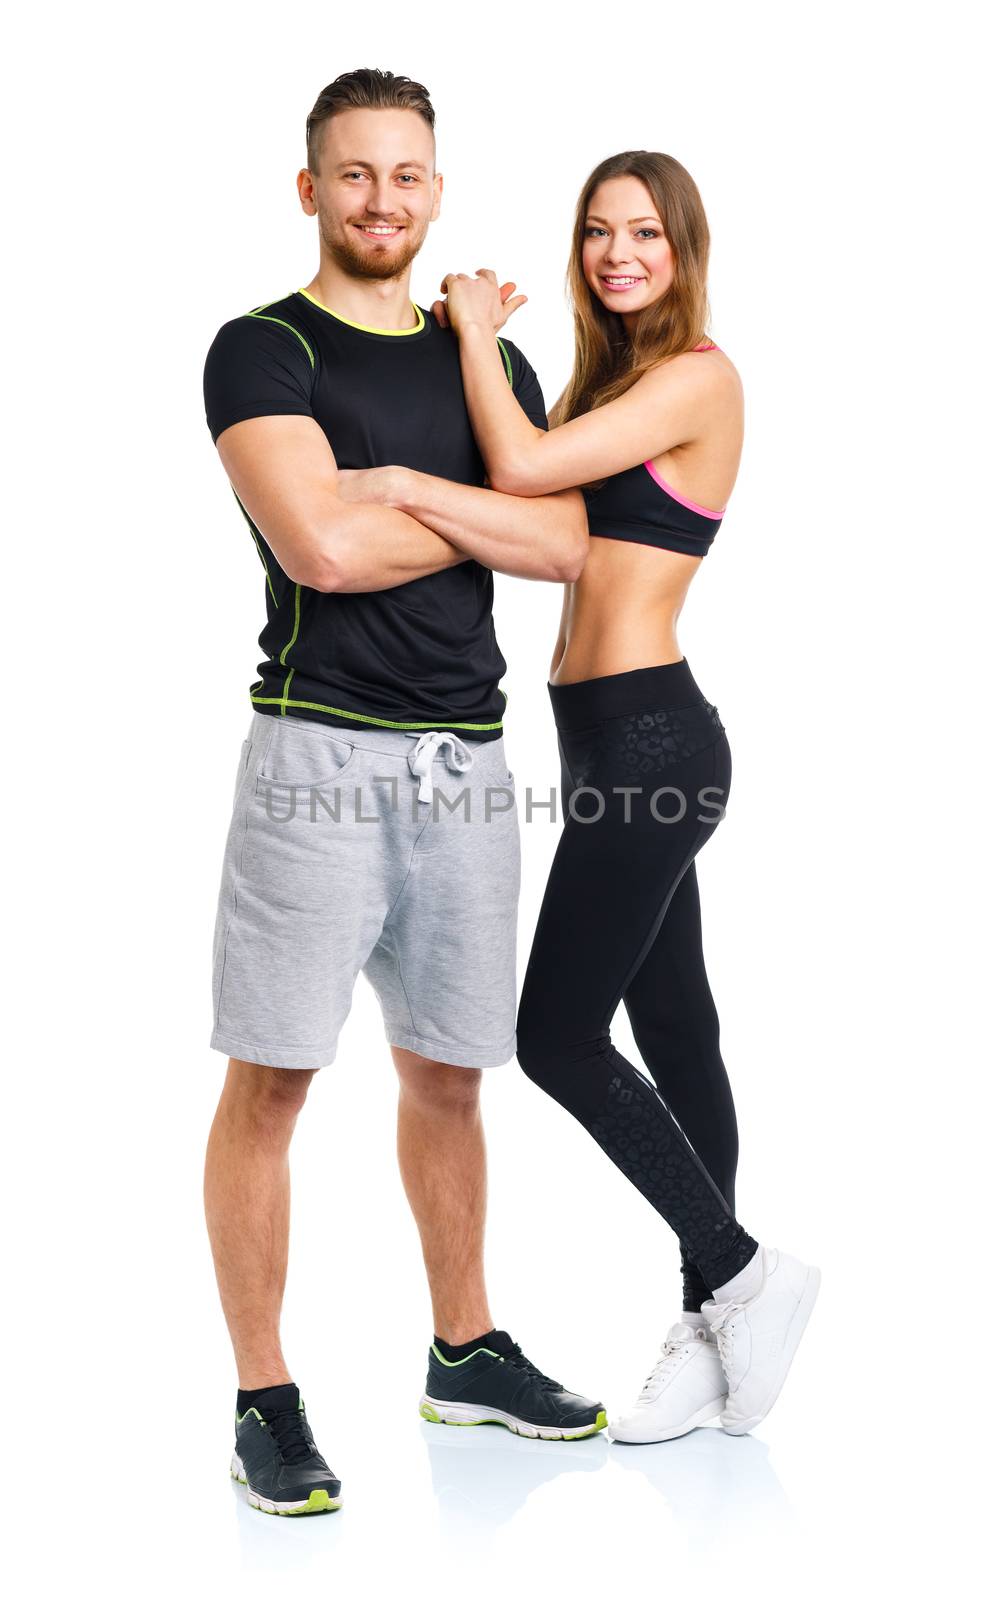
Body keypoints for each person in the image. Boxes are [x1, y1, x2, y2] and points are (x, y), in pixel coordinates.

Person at [346, 149, 821, 1445]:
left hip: (659, 746)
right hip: (607, 743)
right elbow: (540, 522)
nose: (620, 254)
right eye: (601, 233)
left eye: (646, 236)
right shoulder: (615, 383)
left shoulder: (697, 377)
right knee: (675, 1029)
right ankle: (716, 1331)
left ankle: (739, 1274)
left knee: (554, 1035)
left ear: (684, 251)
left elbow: (519, 463)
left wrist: (476, 337)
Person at [202, 69, 607, 1518]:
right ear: (312, 190)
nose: (385, 200)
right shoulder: (261, 351)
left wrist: (405, 490)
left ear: (439, 188)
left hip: (470, 766)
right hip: (316, 753)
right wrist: (468, 516)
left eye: (409, 174)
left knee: (448, 1074)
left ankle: (465, 1349)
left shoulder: (481, 354)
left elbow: (565, 545)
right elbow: (315, 548)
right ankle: (264, 1396)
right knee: (274, 1081)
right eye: (356, 174)